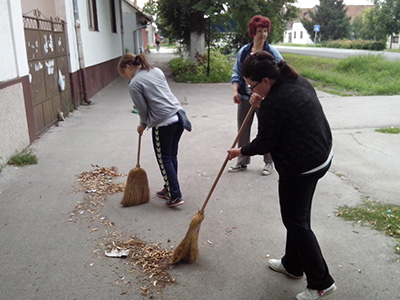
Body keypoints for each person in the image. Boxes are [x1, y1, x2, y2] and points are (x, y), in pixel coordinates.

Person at [227, 51, 336, 300]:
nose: (250, 90)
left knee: (296, 223)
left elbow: (264, 143)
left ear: (266, 80)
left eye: (252, 85)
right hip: (320, 154)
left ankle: (321, 282)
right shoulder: (295, 80)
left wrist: (239, 151)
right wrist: (258, 102)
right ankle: (293, 265)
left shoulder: (275, 102)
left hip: (302, 166)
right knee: (296, 219)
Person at [118, 53, 191, 208]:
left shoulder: (134, 84)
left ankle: (175, 195)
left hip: (163, 122)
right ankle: (169, 188)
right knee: (171, 156)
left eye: (124, 73)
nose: (126, 77)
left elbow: (142, 110)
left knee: (164, 159)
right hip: (179, 117)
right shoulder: (155, 71)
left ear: (128, 67)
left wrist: (142, 124)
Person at [229, 15, 283, 176]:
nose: (263, 34)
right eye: (260, 31)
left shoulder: (271, 52)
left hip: (265, 99)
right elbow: (236, 72)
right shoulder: (244, 51)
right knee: (243, 129)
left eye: (265, 31)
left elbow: (280, 73)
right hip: (245, 97)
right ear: (253, 33)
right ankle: (242, 161)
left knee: (266, 130)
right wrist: (235, 91)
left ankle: (269, 162)